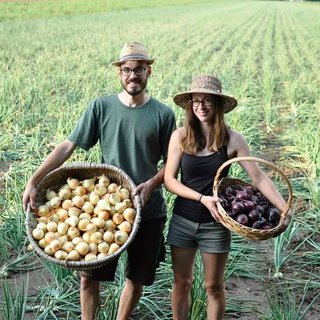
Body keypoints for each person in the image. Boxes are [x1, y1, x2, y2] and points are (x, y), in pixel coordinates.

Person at [22, 42, 176, 320]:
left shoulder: (163, 114)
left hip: (148, 208)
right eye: (127, 70)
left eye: (139, 69)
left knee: (136, 278)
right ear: (119, 73)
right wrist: (34, 179)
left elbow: (171, 164)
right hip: (102, 209)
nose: (133, 75)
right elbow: (68, 146)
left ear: (149, 71)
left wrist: (152, 184)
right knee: (88, 279)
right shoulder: (101, 106)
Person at [164, 74, 291, 320]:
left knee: (213, 287)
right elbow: (170, 180)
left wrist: (284, 208)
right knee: (182, 283)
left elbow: (258, 177)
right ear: (190, 104)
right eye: (196, 100)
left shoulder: (233, 139)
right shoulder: (179, 137)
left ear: (219, 105)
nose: (201, 106)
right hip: (183, 220)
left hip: (216, 224)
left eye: (207, 100)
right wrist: (202, 199)